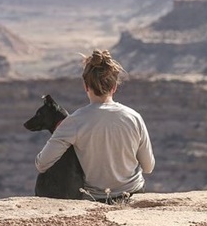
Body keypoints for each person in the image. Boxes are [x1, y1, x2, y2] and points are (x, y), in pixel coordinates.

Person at [35, 50, 155, 202]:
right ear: (114, 87)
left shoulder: (74, 122)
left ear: (86, 86)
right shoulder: (134, 117)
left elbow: (42, 164)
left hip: (96, 199)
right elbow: (149, 167)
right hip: (133, 194)